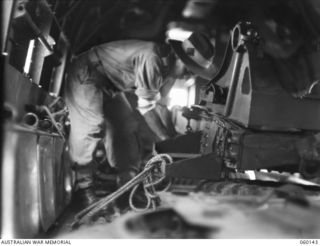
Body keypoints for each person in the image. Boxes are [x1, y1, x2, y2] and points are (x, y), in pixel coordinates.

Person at [63, 31, 216, 206]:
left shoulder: (170, 72)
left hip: (109, 86)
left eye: (193, 72)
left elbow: (161, 106)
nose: (188, 75)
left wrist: (173, 139)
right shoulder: (152, 59)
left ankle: (126, 182)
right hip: (87, 73)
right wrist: (165, 141)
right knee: (91, 126)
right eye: (188, 68)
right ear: (179, 56)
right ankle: (83, 188)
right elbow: (146, 107)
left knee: (126, 125)